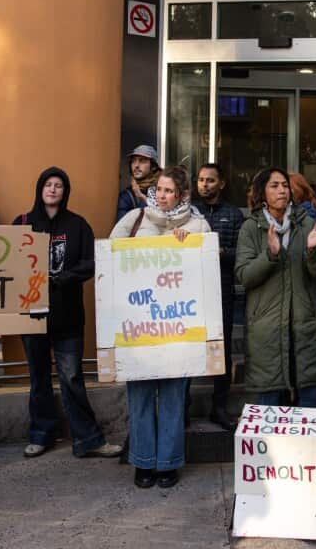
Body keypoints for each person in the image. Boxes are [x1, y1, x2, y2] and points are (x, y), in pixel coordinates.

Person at [110, 166, 211, 489]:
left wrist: (187, 245)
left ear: (182, 195)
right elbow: (111, 256)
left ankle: (167, 463)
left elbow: (208, 267)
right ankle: (142, 462)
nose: (163, 196)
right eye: (160, 190)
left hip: (178, 328)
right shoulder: (136, 219)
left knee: (172, 397)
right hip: (138, 327)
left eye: (170, 191)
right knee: (139, 396)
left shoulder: (198, 224)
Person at [13, 167, 122, 459]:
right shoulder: (22, 223)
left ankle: (88, 440)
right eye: (47, 184)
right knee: (38, 378)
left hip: (68, 318)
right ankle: (40, 435)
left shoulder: (77, 225)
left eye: (58, 185)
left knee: (72, 377)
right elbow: (8, 265)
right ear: (39, 188)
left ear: (65, 191)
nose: (52, 189)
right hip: (31, 316)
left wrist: (61, 279)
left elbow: (90, 263)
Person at [236, 168, 316, 410]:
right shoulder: (251, 228)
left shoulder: (307, 224)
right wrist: (270, 255)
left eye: (285, 186)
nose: (282, 190)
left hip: (303, 326)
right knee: (269, 407)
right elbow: (244, 276)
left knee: (309, 405)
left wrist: (312, 251)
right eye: (274, 185)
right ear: (262, 193)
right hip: (266, 330)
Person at [190, 162, 245, 431]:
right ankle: (183, 408)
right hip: (189, 291)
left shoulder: (234, 214)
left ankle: (219, 408)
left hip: (222, 290)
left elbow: (243, 253)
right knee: (188, 349)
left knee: (219, 351)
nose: (204, 185)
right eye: (200, 180)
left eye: (210, 180)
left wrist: (222, 252)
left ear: (221, 184)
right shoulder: (187, 212)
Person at [116, 144, 161, 223]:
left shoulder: (164, 189)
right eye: (133, 161)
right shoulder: (127, 196)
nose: (136, 165)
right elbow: (123, 225)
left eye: (142, 161)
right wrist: (141, 199)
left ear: (153, 166)